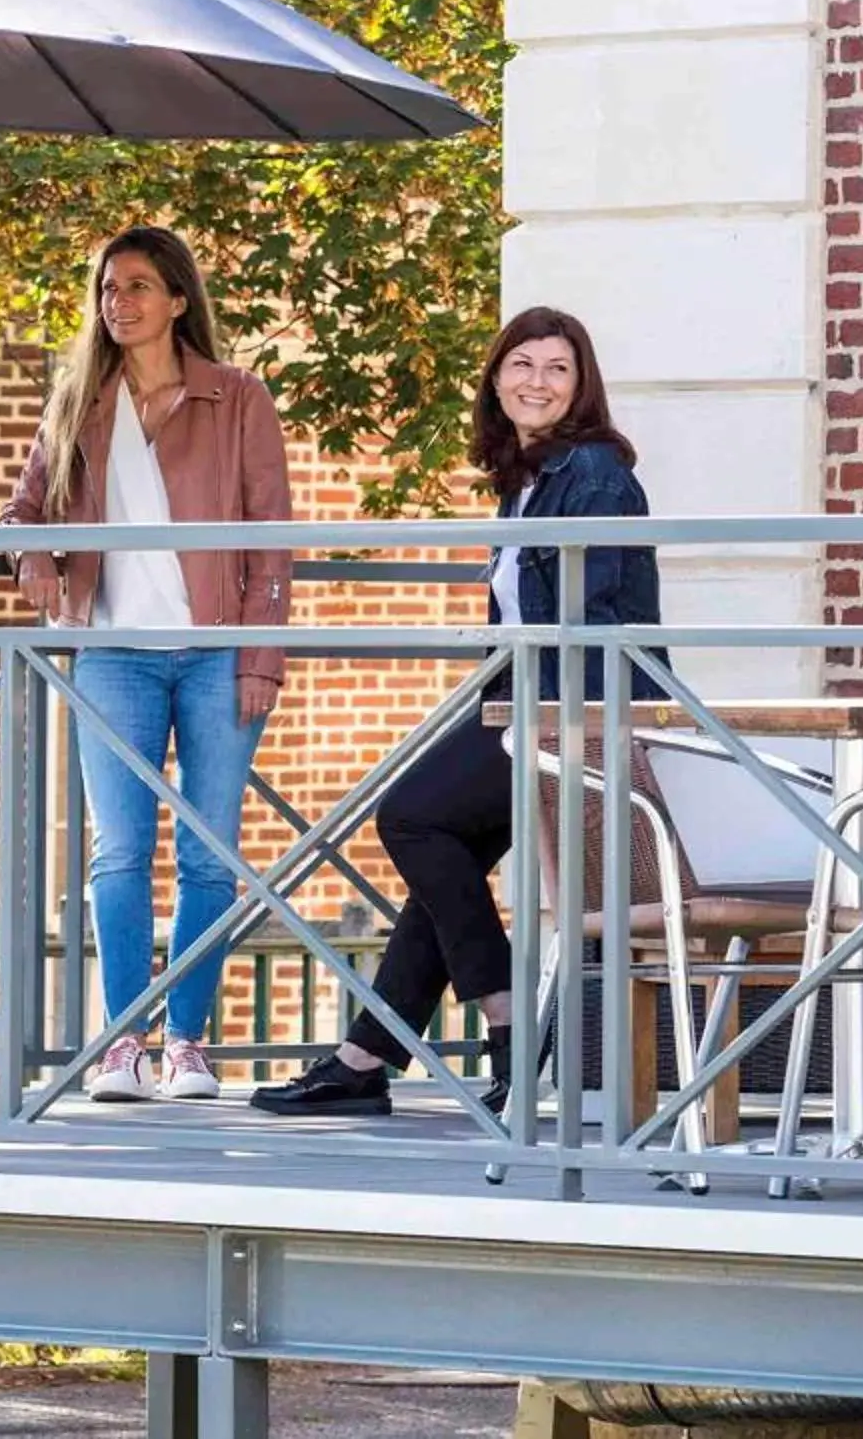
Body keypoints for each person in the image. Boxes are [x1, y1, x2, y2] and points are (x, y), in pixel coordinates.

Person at [252, 306, 660, 1120]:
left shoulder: (594, 473)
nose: (536, 382)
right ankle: (365, 1057)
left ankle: (507, 1022)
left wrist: (509, 712)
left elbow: (591, 613)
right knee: (448, 864)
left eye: (556, 370)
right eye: (522, 365)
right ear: (497, 376)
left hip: (573, 704)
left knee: (410, 817)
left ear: (581, 388)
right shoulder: (531, 478)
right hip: (526, 699)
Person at [3, 226, 292, 1104]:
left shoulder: (236, 398)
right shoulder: (79, 403)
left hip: (216, 657)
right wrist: (39, 566)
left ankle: (187, 1043)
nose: (117, 302)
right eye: (106, 288)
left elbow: (271, 543)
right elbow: (21, 516)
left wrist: (259, 658)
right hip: (113, 656)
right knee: (118, 853)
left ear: (176, 298)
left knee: (209, 855)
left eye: (135, 286)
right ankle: (123, 1044)